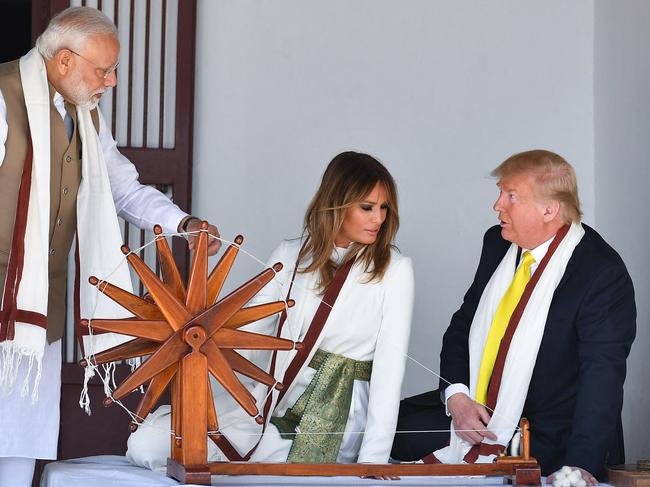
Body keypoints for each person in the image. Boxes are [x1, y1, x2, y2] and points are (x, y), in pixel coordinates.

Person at [0, 7, 219, 485]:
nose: (112, 81)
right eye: (103, 69)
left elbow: (123, 189)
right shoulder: (2, 97)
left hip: (36, 311)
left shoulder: (85, 117)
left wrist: (182, 222)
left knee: (16, 441)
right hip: (3, 300)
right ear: (62, 61)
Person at [127, 151, 414, 473]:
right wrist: (192, 337)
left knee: (259, 464)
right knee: (148, 442)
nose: (379, 218)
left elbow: (390, 373)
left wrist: (372, 462)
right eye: (367, 207)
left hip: (333, 412)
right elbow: (248, 333)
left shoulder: (395, 270)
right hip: (270, 398)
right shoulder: (290, 256)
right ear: (336, 203)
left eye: (384, 208)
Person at [391, 150, 636, 483]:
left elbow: (602, 380)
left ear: (549, 209)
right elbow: (461, 327)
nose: (497, 206)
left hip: (545, 429)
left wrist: (582, 466)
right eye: (500, 193)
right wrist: (458, 398)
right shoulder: (497, 243)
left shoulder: (601, 271)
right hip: (480, 410)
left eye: (511, 196)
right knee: (393, 428)